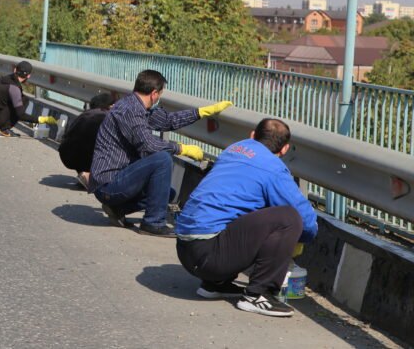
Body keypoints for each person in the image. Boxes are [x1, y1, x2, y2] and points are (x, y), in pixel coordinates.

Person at [174, 118, 318, 318]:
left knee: (245, 206)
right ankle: (258, 295)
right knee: (289, 217)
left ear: (252, 135)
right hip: (211, 256)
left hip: (185, 249)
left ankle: (215, 284)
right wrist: (301, 237)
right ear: (284, 149)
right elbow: (306, 220)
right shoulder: (273, 168)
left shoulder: (235, 149)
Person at [90, 69, 232, 237]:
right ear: (154, 93)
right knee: (162, 158)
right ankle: (153, 223)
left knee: (166, 193)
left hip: (117, 180)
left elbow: (168, 121)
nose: (159, 98)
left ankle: (117, 207)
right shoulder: (129, 111)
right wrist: (182, 148)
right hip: (108, 184)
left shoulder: (137, 107)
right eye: (160, 94)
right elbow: (149, 145)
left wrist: (201, 112)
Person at [0, 61, 58, 137]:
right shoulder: (14, 88)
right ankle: (4, 129)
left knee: (16, 100)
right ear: (28, 76)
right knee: (24, 100)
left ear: (15, 69)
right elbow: (20, 115)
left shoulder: (4, 79)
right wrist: (41, 119)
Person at [59, 93, 117, 190]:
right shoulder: (107, 117)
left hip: (67, 156)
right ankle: (91, 176)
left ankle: (85, 174)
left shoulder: (83, 115)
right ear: (110, 106)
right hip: (86, 157)